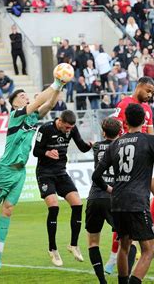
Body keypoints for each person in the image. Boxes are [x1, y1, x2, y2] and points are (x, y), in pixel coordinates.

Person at [0, 79, 67, 269]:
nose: (25, 98)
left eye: (26, 96)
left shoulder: (32, 119)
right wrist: (55, 83)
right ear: (15, 103)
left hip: (20, 171)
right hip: (5, 169)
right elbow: (40, 100)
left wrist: (60, 87)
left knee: (8, 210)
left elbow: (49, 103)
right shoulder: (15, 114)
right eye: (22, 96)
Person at [105, 77, 154, 273]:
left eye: (152, 92)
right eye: (148, 91)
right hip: (129, 159)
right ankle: (114, 255)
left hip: (145, 154)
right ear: (139, 86)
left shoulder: (147, 109)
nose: (150, 95)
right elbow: (112, 128)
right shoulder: (124, 104)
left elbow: (151, 135)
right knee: (129, 215)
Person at [92, 104, 154, 284]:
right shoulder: (150, 140)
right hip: (137, 201)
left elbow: (96, 176)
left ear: (125, 121)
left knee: (124, 246)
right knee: (149, 249)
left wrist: (109, 189)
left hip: (117, 201)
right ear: (145, 120)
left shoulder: (115, 144)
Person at [33, 110, 92, 266]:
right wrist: (47, 152)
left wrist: (90, 145)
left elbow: (82, 147)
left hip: (61, 172)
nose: (68, 131)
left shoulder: (72, 129)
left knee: (78, 205)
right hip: (45, 173)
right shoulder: (45, 129)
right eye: (66, 127)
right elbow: (35, 151)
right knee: (54, 207)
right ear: (59, 121)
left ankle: (73, 245)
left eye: (70, 128)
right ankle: (52, 249)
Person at [86, 118, 122, 284]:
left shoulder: (96, 147)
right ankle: (125, 278)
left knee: (93, 242)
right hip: (115, 197)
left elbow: (96, 144)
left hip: (95, 197)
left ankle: (102, 281)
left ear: (103, 132)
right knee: (128, 240)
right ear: (119, 132)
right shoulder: (122, 147)